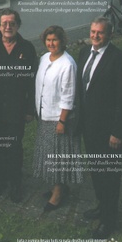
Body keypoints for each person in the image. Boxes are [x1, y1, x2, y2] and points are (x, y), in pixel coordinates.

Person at [77, 17, 122, 238]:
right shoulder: (84, 53)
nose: (95, 36)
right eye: (93, 31)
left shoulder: (121, 59)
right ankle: (102, 206)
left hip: (109, 132)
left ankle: (109, 221)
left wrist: (118, 132)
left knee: (109, 175)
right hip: (89, 127)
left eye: (100, 32)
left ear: (110, 34)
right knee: (97, 171)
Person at [0, 8, 38, 202]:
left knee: (15, 146)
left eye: (12, 23)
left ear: (18, 25)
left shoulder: (27, 48)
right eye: (4, 23)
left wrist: (30, 109)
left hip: (17, 107)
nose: (8, 27)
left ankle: (16, 183)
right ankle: (0, 180)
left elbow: (33, 81)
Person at [33, 25, 81, 211]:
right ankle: (56, 186)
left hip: (58, 118)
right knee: (48, 154)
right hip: (44, 115)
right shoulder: (44, 58)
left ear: (62, 41)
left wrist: (62, 121)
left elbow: (68, 95)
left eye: (55, 40)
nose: (51, 43)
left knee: (57, 157)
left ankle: (58, 192)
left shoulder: (67, 64)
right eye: (48, 40)